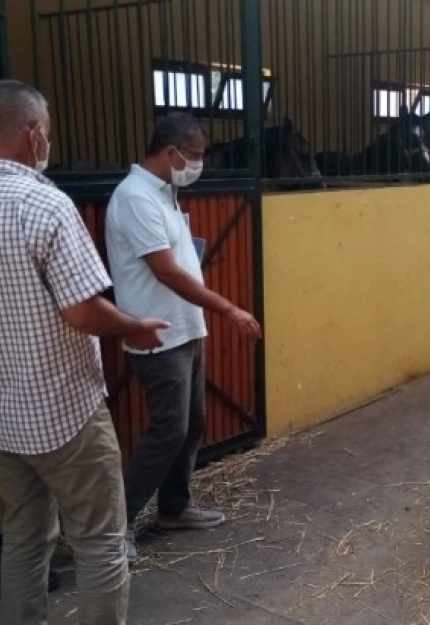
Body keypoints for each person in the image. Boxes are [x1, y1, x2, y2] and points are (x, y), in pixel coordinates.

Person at [0, 79, 167, 625]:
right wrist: (132, 327)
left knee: (24, 535)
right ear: (34, 134)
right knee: (100, 540)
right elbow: (82, 310)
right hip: (65, 410)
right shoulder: (46, 204)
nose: (47, 142)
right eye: (47, 132)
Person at [104, 113, 261, 559]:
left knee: (191, 425)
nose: (198, 164)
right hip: (158, 334)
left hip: (185, 328)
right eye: (193, 156)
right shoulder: (135, 197)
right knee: (168, 430)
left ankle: (174, 507)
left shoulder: (164, 194)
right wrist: (228, 308)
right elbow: (166, 271)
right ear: (171, 151)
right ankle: (118, 527)